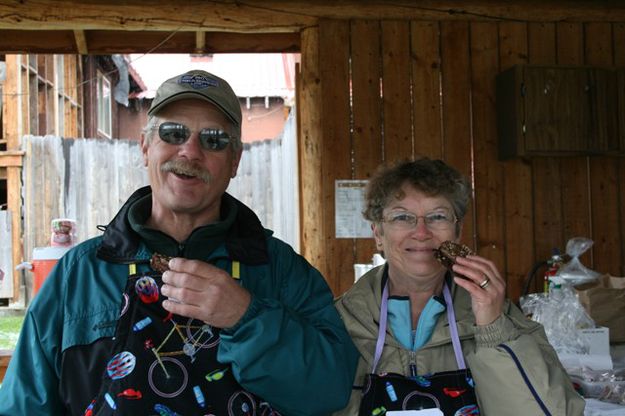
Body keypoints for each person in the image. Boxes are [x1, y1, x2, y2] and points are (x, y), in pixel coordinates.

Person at [0, 70, 358, 416]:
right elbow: (24, 405)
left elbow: (330, 390)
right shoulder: (78, 273)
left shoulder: (280, 270)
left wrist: (245, 318)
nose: (190, 151)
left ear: (234, 161)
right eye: (173, 133)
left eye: (213, 139)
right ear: (145, 147)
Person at [333, 158, 585, 415]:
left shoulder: (503, 320)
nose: (421, 232)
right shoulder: (339, 322)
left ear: (457, 231)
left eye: (438, 216)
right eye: (402, 217)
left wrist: (493, 329)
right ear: (378, 234)